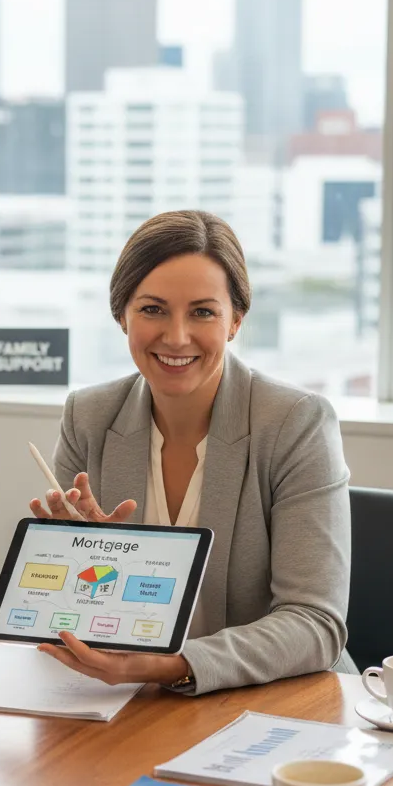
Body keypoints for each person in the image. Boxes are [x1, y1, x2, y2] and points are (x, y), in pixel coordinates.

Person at [31, 210, 355, 695]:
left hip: (277, 702)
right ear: (122, 317)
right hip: (130, 703)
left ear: (235, 321)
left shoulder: (295, 423)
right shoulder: (89, 417)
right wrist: (87, 568)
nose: (176, 336)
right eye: (153, 309)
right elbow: (61, 617)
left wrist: (171, 665)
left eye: (203, 311)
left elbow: (315, 624)